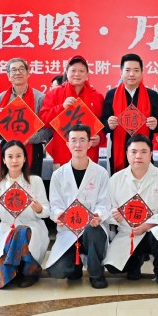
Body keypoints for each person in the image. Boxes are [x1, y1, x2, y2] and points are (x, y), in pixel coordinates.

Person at [44, 123, 112, 288]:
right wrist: (59, 215)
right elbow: (55, 205)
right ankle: (76, 264)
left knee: (93, 231)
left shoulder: (101, 173)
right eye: (73, 140)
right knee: (58, 271)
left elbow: (104, 203)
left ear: (89, 144)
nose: (78, 145)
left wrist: (98, 215)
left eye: (82, 140)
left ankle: (96, 273)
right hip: (69, 230)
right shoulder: (58, 175)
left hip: (92, 228)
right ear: (67, 144)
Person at [106, 134, 158, 289]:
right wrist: (116, 215)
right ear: (127, 154)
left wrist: (146, 225)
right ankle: (135, 262)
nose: (138, 156)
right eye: (134, 152)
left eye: (144, 152)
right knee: (112, 267)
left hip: (154, 229)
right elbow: (109, 208)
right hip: (128, 231)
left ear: (151, 154)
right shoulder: (116, 179)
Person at [0, 140, 50, 288]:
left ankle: (29, 271)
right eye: (10, 156)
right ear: (3, 159)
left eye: (18, 156)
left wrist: (39, 209)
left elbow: (47, 212)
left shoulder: (35, 181)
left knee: (21, 231)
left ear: (24, 158)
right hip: (7, 228)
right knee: (3, 277)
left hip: (32, 228)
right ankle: (17, 268)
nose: (14, 160)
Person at [39, 55, 104, 169]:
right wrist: (61, 107)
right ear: (67, 73)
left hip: (89, 154)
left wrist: (100, 137)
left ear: (87, 75)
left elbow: (102, 124)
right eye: (73, 70)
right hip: (62, 154)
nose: (77, 74)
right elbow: (43, 120)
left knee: (89, 180)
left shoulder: (97, 96)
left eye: (81, 71)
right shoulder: (54, 94)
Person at [101, 53, 158, 175]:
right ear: (121, 73)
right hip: (119, 151)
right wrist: (108, 124)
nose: (132, 74)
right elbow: (103, 122)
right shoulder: (111, 95)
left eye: (136, 70)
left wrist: (155, 124)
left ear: (142, 73)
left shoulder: (152, 95)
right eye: (128, 70)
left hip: (143, 151)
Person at [0, 58, 52, 173]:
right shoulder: (1, 98)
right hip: (8, 150)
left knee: (32, 183)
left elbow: (48, 130)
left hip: (33, 148)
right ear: (8, 76)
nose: (18, 73)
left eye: (21, 69)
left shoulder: (40, 98)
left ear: (28, 74)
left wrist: (29, 139)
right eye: (14, 70)